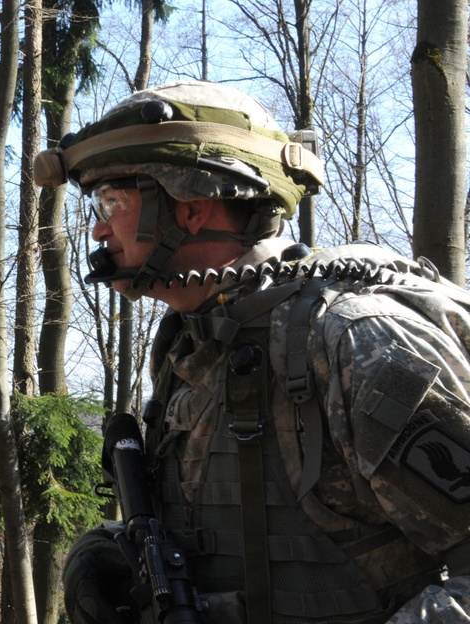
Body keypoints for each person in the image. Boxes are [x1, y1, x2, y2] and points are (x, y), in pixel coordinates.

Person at [35, 80, 470, 623]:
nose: (98, 228)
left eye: (111, 200)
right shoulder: (195, 342)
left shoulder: (351, 341)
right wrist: (110, 552)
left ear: (190, 206)